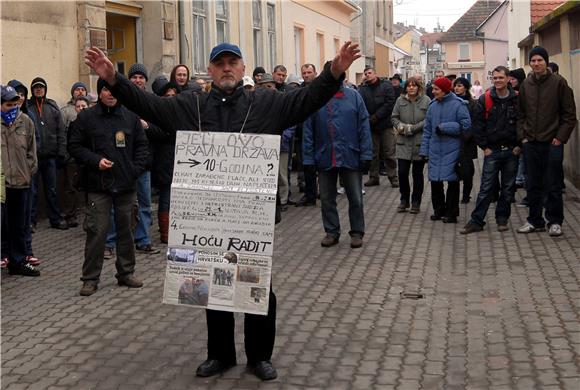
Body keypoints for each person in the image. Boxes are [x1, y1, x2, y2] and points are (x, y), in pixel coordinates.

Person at [84, 40, 360, 381]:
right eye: (220, 63)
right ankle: (220, 354)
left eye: (233, 62)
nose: (227, 68)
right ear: (210, 70)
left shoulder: (267, 102)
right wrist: (114, 79)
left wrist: (334, 71)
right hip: (207, 216)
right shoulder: (191, 105)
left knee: (256, 285)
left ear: (243, 68)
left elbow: (308, 99)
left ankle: (259, 356)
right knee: (212, 285)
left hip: (251, 218)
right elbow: (149, 105)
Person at [68, 79, 149, 296]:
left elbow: (142, 147)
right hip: (98, 185)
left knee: (127, 231)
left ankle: (126, 273)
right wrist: (95, 161)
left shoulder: (130, 117)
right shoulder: (86, 117)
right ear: (100, 92)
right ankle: (90, 279)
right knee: (97, 231)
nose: (111, 94)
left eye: (114, 90)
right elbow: (74, 146)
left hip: (126, 184)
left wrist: (134, 170)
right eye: (106, 90)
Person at [516, 46, 576, 237]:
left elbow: (569, 115)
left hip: (552, 142)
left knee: (553, 184)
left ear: (546, 62)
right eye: (533, 60)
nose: (536, 64)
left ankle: (555, 221)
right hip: (531, 142)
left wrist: (560, 138)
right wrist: (523, 137)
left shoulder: (559, 83)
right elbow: (520, 114)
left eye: (539, 60)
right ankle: (535, 220)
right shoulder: (526, 85)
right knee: (532, 184)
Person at [303, 84, 372, 248]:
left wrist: (367, 154)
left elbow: (364, 126)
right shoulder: (316, 97)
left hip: (350, 154)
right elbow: (308, 130)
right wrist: (308, 159)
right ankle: (331, 232)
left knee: (355, 197)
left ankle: (357, 232)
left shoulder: (354, 97)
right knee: (327, 198)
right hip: (325, 155)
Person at [105, 63, 160, 257]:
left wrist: (147, 127)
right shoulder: (121, 101)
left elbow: (160, 131)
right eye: (134, 77)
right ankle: (110, 242)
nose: (137, 80)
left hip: (144, 162)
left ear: (146, 81)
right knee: (116, 204)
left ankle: (143, 239)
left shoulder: (152, 102)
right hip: (122, 163)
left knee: (145, 204)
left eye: (141, 77)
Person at [460, 66, 521, 234]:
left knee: (508, 188)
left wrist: (519, 146)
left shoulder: (517, 99)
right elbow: (478, 125)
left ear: (508, 79)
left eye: (501, 77)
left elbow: (523, 123)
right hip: (492, 151)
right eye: (495, 78)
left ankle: (502, 219)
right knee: (486, 187)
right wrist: (484, 147)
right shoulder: (485, 99)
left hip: (511, 151)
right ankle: (477, 221)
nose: (498, 81)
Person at [420, 77, 471, 223]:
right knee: (435, 182)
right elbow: (427, 130)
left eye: (436, 89)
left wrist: (445, 128)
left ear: (444, 90)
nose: (433, 91)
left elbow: (466, 126)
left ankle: (451, 213)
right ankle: (438, 210)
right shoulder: (432, 106)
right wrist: (424, 151)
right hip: (435, 149)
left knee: (452, 182)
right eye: (433, 89)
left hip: (453, 149)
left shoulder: (459, 104)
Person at [1, 85, 39, 276]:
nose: (14, 107)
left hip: (21, 182)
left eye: (15, 103)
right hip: (2, 186)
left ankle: (18, 262)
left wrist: (28, 171)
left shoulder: (25, 121)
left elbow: (32, 151)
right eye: (9, 104)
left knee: (19, 225)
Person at [27, 77, 68, 230]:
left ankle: (55, 219)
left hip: (51, 157)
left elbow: (61, 131)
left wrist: (61, 153)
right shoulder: (28, 107)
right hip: (34, 158)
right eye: (36, 87)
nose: (39, 89)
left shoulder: (52, 107)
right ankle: (31, 221)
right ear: (32, 90)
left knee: (52, 190)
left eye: (41, 87)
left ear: (45, 89)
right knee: (33, 192)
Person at [391, 76, 431, 214]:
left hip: (419, 142)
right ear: (405, 87)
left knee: (417, 174)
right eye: (409, 85)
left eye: (414, 85)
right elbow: (394, 117)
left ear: (419, 87)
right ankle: (404, 200)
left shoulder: (426, 100)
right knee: (402, 173)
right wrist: (401, 127)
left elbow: (429, 119)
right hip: (403, 142)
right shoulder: (400, 100)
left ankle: (416, 202)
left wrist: (413, 128)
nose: (411, 88)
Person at [149, 76, 179, 243]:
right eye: (167, 96)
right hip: (165, 159)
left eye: (173, 95)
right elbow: (157, 132)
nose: (171, 99)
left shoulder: (182, 111)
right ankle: (166, 233)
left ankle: (176, 229)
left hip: (180, 158)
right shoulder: (157, 113)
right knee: (166, 196)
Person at [359, 66, 397, 187]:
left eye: (369, 73)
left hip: (386, 125)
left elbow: (390, 103)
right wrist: (368, 118)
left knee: (389, 152)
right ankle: (373, 177)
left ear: (375, 74)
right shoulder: (363, 89)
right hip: (371, 126)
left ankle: (393, 177)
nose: (367, 75)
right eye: (365, 73)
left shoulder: (386, 86)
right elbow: (361, 105)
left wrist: (376, 116)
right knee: (372, 154)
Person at [59, 82, 89, 229]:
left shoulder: (92, 113)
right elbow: (62, 134)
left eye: (83, 89)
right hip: (71, 157)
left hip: (87, 158)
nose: (80, 92)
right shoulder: (66, 111)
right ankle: (70, 215)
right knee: (71, 186)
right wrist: (65, 154)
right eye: (77, 89)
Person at [294, 63, 320, 207]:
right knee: (306, 165)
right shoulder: (299, 90)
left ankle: (324, 190)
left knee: (321, 164)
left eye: (309, 72)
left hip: (319, 132)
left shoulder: (320, 88)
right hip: (303, 132)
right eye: (304, 73)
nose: (306, 75)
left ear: (315, 73)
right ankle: (310, 194)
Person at [452, 77, 478, 204]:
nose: (457, 88)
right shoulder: (451, 102)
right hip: (453, 141)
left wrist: (468, 134)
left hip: (467, 142)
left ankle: (466, 195)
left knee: (468, 171)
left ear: (466, 88)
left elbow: (475, 122)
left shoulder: (472, 104)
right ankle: (454, 195)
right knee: (454, 169)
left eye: (460, 85)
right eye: (455, 85)